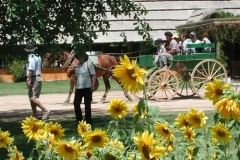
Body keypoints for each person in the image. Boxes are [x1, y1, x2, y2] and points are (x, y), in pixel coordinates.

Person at [25, 44, 51, 120]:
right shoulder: (38, 56)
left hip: (34, 78)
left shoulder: (31, 57)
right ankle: (35, 116)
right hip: (37, 77)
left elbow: (32, 69)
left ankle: (45, 110)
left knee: (32, 98)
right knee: (31, 98)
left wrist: (27, 79)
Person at [73, 52, 97, 125]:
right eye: (79, 57)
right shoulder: (77, 66)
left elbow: (93, 75)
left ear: (84, 57)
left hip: (87, 87)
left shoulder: (88, 64)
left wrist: (93, 85)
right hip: (79, 88)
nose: (80, 58)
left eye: (81, 57)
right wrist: (76, 85)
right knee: (76, 103)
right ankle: (79, 120)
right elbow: (76, 77)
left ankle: (88, 121)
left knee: (87, 104)